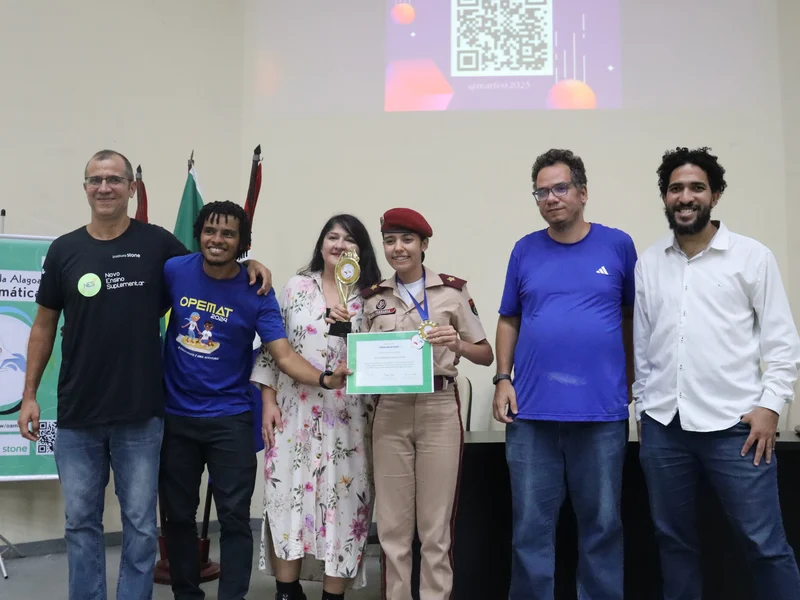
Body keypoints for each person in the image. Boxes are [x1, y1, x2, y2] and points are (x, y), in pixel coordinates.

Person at [17, 150, 272, 600]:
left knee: (140, 524)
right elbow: (43, 326)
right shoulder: (64, 250)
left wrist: (251, 264)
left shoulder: (158, 245)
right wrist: (30, 394)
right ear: (85, 188)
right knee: (80, 522)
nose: (105, 188)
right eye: (95, 180)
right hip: (77, 412)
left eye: (114, 179)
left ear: (131, 188)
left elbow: (213, 267)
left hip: (142, 413)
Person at [159, 201, 351, 600]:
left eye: (228, 234)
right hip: (176, 416)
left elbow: (283, 355)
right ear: (198, 234)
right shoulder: (175, 270)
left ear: (242, 242)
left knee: (233, 518)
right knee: (177, 516)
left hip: (231, 419)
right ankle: (186, 594)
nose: (217, 239)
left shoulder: (257, 290)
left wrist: (324, 379)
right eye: (210, 231)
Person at [634, 147, 800, 599]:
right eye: (675, 188)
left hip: (737, 430)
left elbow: (782, 341)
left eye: (696, 187)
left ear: (715, 195)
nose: (685, 197)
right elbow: (644, 347)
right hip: (665, 429)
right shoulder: (650, 262)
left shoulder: (752, 257)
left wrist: (771, 406)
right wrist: (643, 408)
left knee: (764, 544)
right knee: (674, 543)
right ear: (665, 197)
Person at [493, 148, 636, 599]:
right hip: (532, 413)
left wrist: (632, 378)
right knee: (530, 529)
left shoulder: (618, 245)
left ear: (583, 192)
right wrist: (502, 378)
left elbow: (632, 316)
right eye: (542, 192)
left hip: (600, 413)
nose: (551, 198)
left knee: (603, 525)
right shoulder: (524, 249)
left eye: (560, 188)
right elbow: (509, 319)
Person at [361, 207, 494, 600]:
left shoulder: (452, 292)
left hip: (438, 407)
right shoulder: (372, 298)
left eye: (407, 239)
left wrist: (458, 343)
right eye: (390, 241)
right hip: (390, 409)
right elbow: (360, 356)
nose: (398, 248)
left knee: (435, 529)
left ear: (424, 244)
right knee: (392, 528)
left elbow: (486, 354)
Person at [252, 214, 382, 600]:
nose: (339, 245)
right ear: (322, 244)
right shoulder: (296, 287)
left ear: (361, 250)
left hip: (349, 418)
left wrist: (351, 329)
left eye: (349, 239)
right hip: (293, 411)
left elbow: (381, 358)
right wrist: (268, 401)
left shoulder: (372, 297)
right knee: (286, 499)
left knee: (345, 503)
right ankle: (286, 590)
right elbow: (273, 349)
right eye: (332, 237)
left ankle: (333, 594)